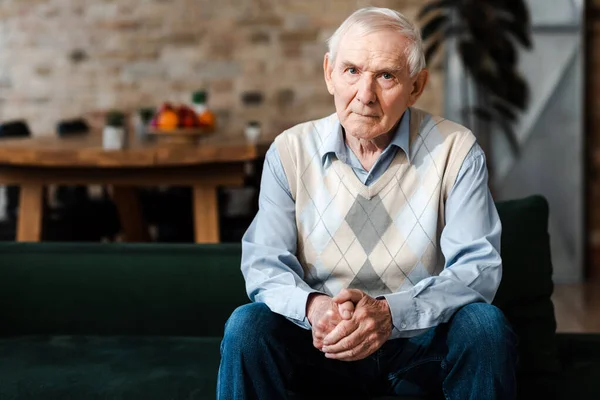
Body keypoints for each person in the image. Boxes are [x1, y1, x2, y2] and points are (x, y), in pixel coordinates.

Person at [218, 6, 517, 400]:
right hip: (322, 346)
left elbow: (477, 269)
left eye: (387, 76)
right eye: (352, 71)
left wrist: (390, 315)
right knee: (248, 325)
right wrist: (316, 308)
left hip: (420, 346)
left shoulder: (456, 150)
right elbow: (264, 263)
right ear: (329, 73)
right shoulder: (290, 151)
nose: (365, 95)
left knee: (484, 326)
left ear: (416, 86)